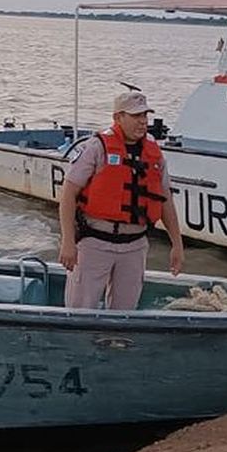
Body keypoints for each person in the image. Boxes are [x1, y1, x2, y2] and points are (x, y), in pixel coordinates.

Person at [58, 91, 184, 309]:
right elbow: (68, 195)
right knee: (79, 309)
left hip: (134, 247)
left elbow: (165, 201)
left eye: (145, 115)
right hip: (95, 243)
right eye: (136, 116)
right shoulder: (96, 148)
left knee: (124, 313)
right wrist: (68, 241)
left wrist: (177, 244)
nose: (143, 121)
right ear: (118, 117)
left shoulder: (154, 154)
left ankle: (115, 343)